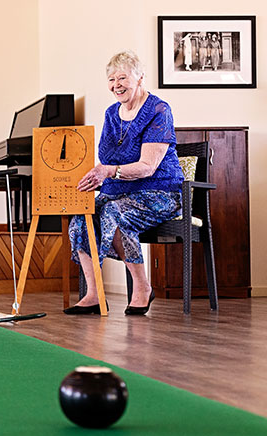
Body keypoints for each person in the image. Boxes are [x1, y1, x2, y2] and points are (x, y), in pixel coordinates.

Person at [65, 51, 184, 316]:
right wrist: (93, 177)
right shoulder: (111, 114)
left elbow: (147, 166)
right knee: (81, 217)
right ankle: (94, 294)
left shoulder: (158, 110)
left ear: (140, 77)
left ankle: (142, 288)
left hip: (159, 191)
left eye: (122, 77)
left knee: (113, 214)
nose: (116, 84)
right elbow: (106, 159)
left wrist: (108, 171)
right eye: (111, 79)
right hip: (120, 192)